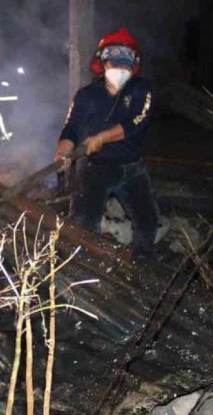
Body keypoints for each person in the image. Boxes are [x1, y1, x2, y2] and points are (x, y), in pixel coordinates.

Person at [55, 27, 159, 258]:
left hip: (132, 168)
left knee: (148, 222)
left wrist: (101, 137)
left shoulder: (142, 90)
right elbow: (72, 126)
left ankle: (144, 263)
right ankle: (80, 265)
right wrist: (64, 149)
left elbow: (135, 123)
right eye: (114, 63)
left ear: (133, 66)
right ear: (102, 63)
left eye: (125, 64)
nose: (119, 68)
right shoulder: (86, 95)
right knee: (83, 223)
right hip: (96, 169)